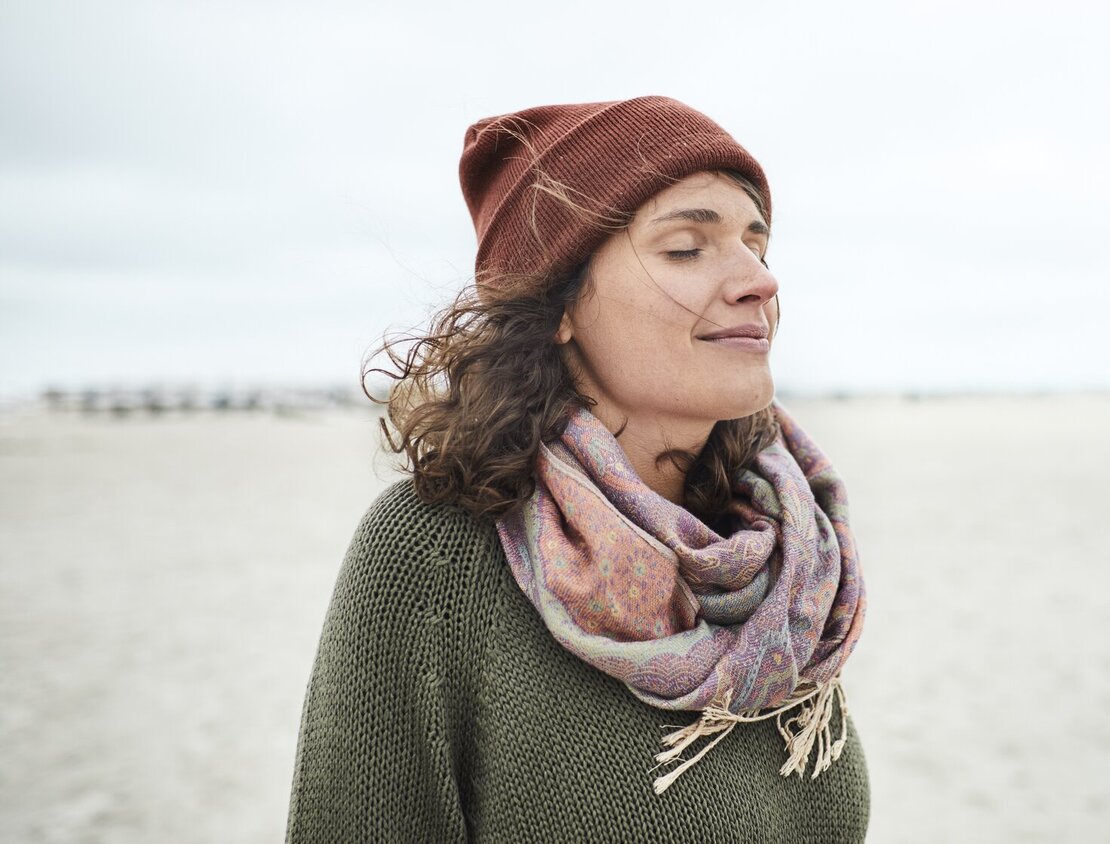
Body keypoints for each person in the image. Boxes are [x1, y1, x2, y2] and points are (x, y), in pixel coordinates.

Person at [286, 96, 869, 843]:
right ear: (558, 303)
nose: (761, 280)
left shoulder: (794, 569)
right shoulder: (437, 559)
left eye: (757, 245)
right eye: (687, 248)